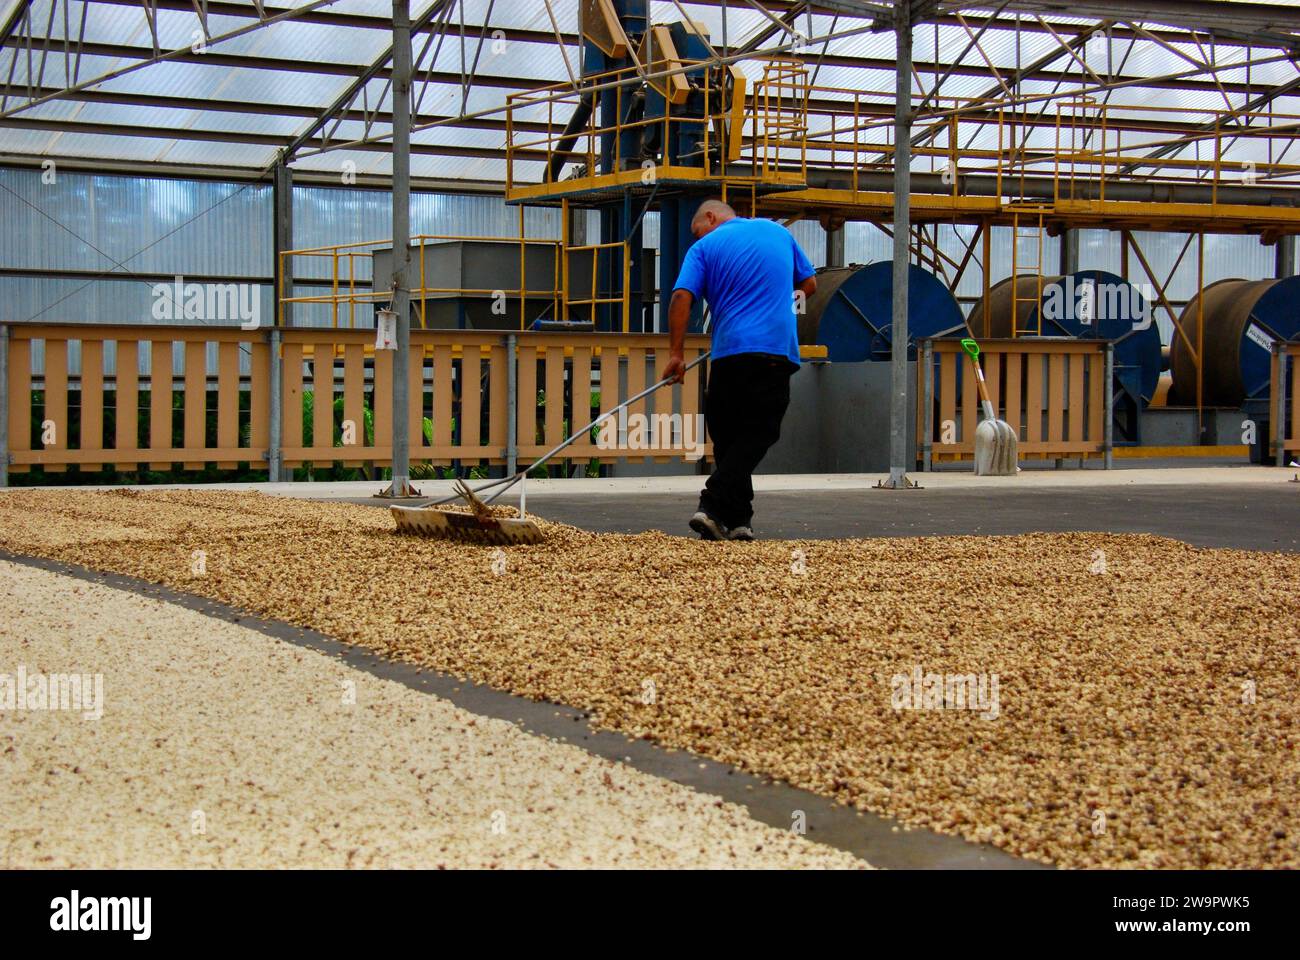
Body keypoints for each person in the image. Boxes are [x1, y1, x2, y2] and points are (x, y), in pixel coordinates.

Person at [660, 199, 817, 541]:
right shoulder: (779, 233)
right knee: (753, 434)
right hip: (776, 350)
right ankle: (739, 520)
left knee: (731, 435)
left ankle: (712, 505)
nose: (694, 237)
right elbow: (810, 285)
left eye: (695, 229)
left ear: (711, 217)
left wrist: (675, 353)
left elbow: (680, 298)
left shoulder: (704, 248)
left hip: (730, 353)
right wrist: (784, 308)